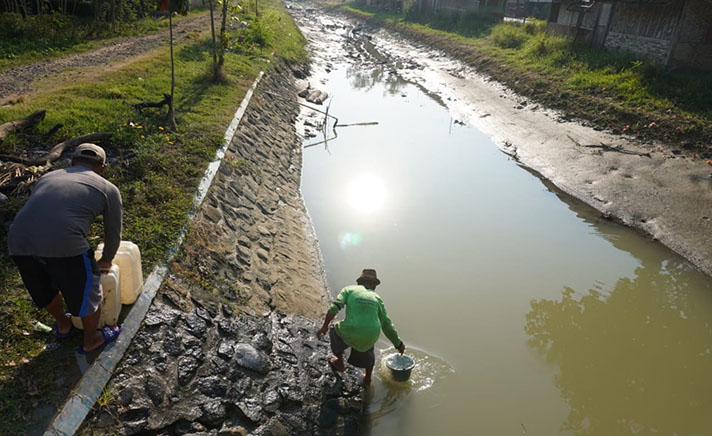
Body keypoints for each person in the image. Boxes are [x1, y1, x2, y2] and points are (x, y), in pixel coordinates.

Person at [8, 143, 123, 354]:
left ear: (72, 162)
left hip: (18, 240)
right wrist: (106, 260)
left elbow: (47, 210)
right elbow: (113, 233)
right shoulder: (108, 188)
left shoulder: (48, 177)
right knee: (88, 292)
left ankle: (63, 325)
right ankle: (91, 339)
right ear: (103, 168)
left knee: (44, 289)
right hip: (65, 243)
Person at [317, 268, 405, 387]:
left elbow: (334, 308)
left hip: (350, 330)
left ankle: (339, 364)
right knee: (369, 341)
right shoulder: (377, 298)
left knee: (334, 327)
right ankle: (368, 379)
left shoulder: (349, 289)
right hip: (371, 335)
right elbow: (386, 324)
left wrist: (324, 327)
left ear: (359, 282)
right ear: (374, 285)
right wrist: (398, 344)